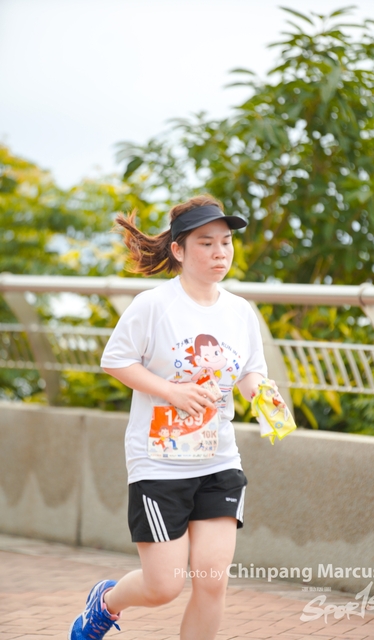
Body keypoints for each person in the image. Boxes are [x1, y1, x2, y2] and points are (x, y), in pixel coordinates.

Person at [68, 194, 281, 640]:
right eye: (206, 243)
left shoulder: (240, 311)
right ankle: (105, 603)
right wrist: (171, 391)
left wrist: (264, 397)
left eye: (226, 242)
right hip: (159, 464)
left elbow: (250, 371)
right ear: (178, 250)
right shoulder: (153, 305)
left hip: (219, 461)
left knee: (212, 581)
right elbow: (115, 360)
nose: (220, 252)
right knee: (164, 586)